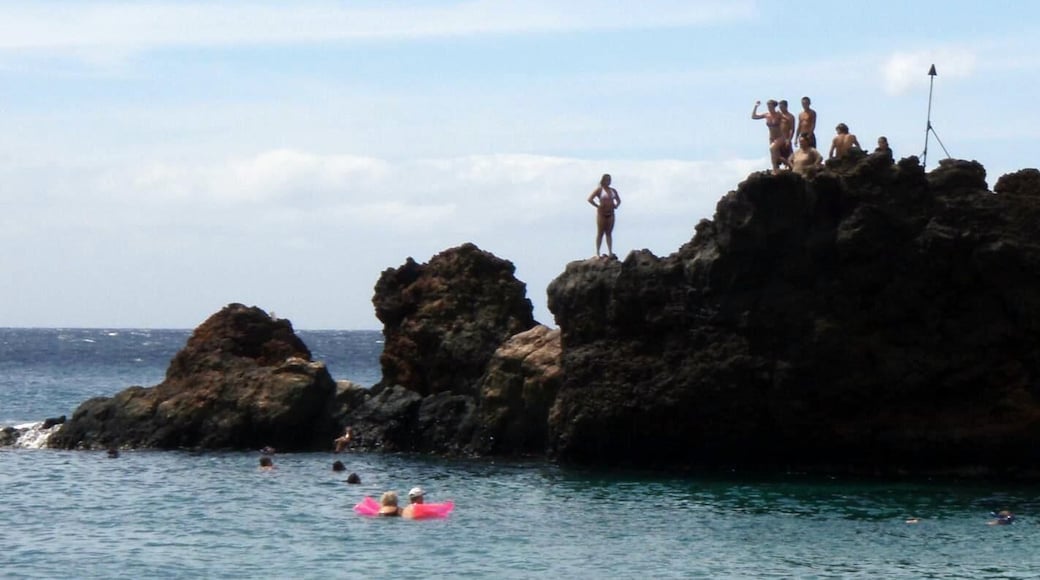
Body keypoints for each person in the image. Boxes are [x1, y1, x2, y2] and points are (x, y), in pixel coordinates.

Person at [587, 174, 621, 259]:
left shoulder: (613, 190)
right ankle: (597, 252)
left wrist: (616, 205)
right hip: (602, 213)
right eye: (607, 180)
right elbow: (590, 199)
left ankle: (610, 252)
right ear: (603, 181)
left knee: (609, 233)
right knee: (600, 232)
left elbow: (618, 200)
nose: (608, 182)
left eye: (609, 180)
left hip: (611, 213)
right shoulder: (599, 190)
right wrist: (597, 205)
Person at [751, 100, 787, 173]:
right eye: (768, 106)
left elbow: (788, 119)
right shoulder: (766, 115)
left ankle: (775, 169)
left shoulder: (778, 114)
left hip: (780, 137)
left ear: (774, 106)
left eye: (770, 106)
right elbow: (754, 117)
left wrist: (786, 128)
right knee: (776, 156)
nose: (769, 108)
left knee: (772, 149)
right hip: (771, 138)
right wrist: (756, 106)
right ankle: (789, 165)